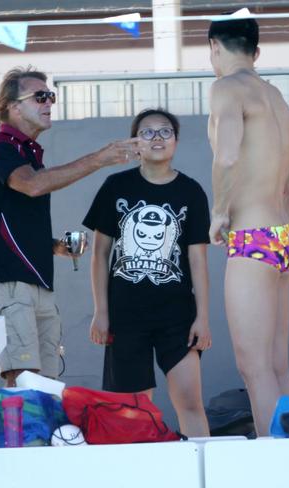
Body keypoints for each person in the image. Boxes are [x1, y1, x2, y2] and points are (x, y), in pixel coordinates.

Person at [0, 67, 139, 387]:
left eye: (50, 96)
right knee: (22, 381)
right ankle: (23, 439)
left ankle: (43, 438)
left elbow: (13, 219)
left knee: (47, 383)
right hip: (11, 284)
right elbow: (33, 186)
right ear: (14, 106)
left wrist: (55, 247)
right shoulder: (0, 146)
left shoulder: (28, 153)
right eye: (40, 97)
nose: (49, 102)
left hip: (37, 285)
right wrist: (99, 159)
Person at [207, 15, 289, 436]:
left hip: (252, 238)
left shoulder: (227, 88)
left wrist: (219, 211)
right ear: (256, 52)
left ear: (214, 47)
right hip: (284, 237)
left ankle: (275, 468)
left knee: (254, 368)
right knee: (279, 367)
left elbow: (227, 156)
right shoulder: (275, 97)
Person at [83, 108, 211, 437]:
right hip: (125, 319)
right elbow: (100, 254)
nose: (157, 138)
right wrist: (101, 311)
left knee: (191, 404)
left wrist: (203, 318)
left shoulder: (191, 192)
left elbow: (198, 259)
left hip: (177, 318)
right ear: (136, 142)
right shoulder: (116, 186)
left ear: (176, 141)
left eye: (165, 131)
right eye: (148, 132)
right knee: (132, 414)